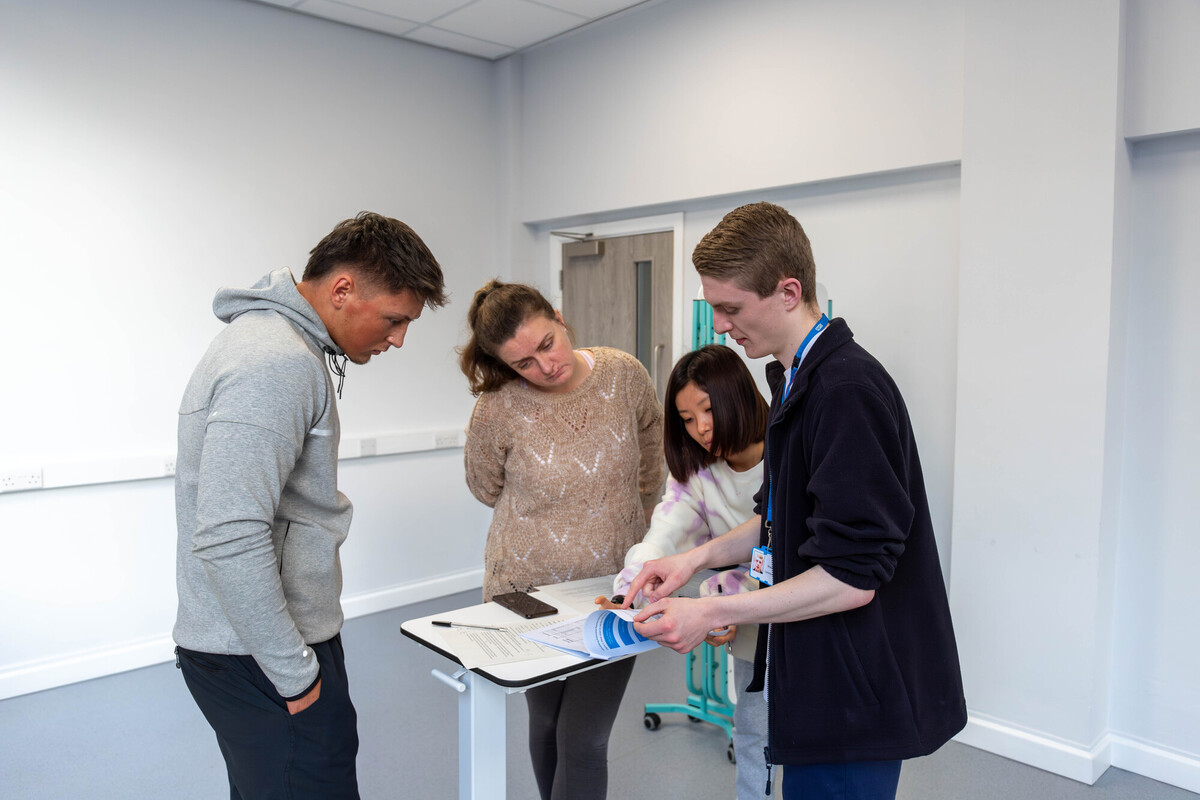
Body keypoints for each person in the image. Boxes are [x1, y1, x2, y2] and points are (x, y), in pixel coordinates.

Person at [626, 202, 966, 800]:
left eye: (731, 309)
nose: (723, 326)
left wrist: (709, 612)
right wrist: (693, 560)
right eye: (716, 310)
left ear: (788, 291)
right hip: (813, 671)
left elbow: (851, 577)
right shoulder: (792, 381)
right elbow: (778, 518)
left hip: (851, 692)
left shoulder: (845, 392)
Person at [173, 211, 446, 800]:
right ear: (342, 289)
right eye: (395, 320)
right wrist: (295, 674)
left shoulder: (277, 346)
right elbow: (228, 534)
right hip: (261, 653)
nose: (398, 338)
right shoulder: (276, 361)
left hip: (255, 643)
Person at [461, 280, 664, 800]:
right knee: (548, 721)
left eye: (547, 344)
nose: (545, 366)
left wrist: (635, 521)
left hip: (611, 592)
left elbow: (653, 446)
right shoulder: (496, 407)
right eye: (524, 363)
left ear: (559, 316)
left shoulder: (623, 374)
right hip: (525, 591)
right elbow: (485, 487)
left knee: (584, 739)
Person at [604, 343, 771, 800]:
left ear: (737, 395)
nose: (700, 429)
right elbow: (666, 532)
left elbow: (799, 552)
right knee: (754, 731)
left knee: (807, 744)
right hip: (746, 619)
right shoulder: (698, 471)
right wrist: (634, 580)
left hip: (803, 612)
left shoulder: (788, 451)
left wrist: (728, 590)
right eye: (686, 418)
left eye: (709, 409)